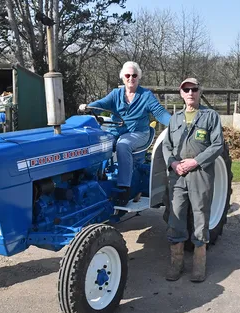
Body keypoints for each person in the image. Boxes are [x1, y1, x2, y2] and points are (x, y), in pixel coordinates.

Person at [78, 61, 171, 206]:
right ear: (123, 77)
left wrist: (175, 123)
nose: (131, 78)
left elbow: (159, 112)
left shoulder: (146, 95)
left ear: (138, 77)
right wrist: (89, 107)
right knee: (96, 142)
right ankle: (95, 178)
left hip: (139, 133)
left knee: (123, 145)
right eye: (128, 75)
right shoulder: (116, 94)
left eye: (134, 75)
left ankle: (124, 187)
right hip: (116, 131)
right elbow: (101, 104)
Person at [162, 78, 224, 283]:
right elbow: (166, 146)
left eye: (194, 89)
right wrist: (172, 163)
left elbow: (217, 146)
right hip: (178, 174)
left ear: (199, 92)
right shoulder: (175, 118)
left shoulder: (210, 117)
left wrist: (195, 162)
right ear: (181, 93)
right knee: (176, 214)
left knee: (200, 215)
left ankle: (199, 266)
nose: (190, 93)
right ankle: (176, 264)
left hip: (200, 173)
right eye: (186, 89)